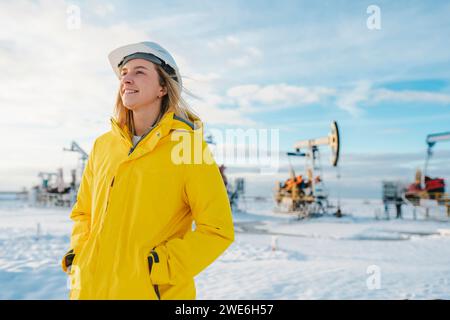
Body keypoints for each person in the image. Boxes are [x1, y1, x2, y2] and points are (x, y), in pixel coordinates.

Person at [61, 41, 235, 300]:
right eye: (124, 73)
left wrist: (161, 267)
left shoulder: (188, 148)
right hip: (88, 290)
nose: (126, 79)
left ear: (163, 88)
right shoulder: (103, 146)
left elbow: (217, 230)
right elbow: (83, 211)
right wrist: (79, 253)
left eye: (139, 72)